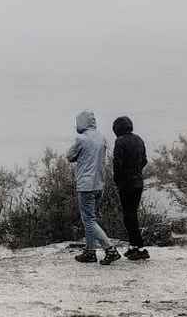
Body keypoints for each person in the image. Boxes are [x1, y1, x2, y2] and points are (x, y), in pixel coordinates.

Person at [67, 109, 120, 264]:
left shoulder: (81, 139)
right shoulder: (102, 138)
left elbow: (70, 156)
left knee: (88, 220)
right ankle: (90, 252)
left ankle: (110, 249)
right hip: (99, 184)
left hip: (85, 185)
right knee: (91, 219)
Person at [112, 115, 150, 260]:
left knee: (129, 216)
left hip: (126, 183)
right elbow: (145, 160)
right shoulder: (138, 139)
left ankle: (140, 248)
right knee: (132, 214)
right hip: (138, 182)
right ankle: (134, 246)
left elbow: (117, 163)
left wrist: (118, 179)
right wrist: (136, 170)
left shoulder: (120, 141)